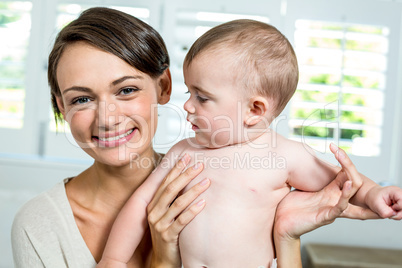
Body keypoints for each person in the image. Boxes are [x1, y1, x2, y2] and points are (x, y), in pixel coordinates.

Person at [98, 19, 402, 268]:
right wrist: (113, 259)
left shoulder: (283, 155)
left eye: (202, 97)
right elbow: (139, 204)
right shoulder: (183, 152)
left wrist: (375, 193)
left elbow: (341, 182)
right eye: (190, 92)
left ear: (254, 111)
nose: (188, 106)